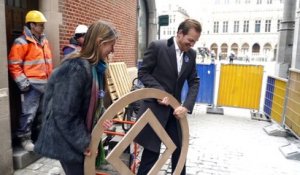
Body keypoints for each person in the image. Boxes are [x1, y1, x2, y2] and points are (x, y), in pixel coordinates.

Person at [34, 20, 117, 175]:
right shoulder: (75, 67)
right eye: (110, 44)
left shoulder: (97, 68)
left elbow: (97, 100)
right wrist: (84, 142)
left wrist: (102, 117)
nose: (112, 50)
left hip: (77, 135)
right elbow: (64, 113)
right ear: (99, 42)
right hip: (67, 140)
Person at [135, 19, 201, 175]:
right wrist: (159, 91)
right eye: (190, 40)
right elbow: (143, 73)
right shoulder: (158, 47)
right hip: (154, 110)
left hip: (174, 112)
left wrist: (186, 106)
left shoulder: (191, 54)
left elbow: (194, 82)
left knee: (180, 150)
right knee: (151, 153)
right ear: (179, 33)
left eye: (195, 41)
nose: (192, 44)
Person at [8, 10, 53, 152]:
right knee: (28, 113)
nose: (43, 27)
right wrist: (24, 83)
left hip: (45, 84)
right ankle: (24, 138)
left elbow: (48, 63)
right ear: (32, 25)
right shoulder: (21, 42)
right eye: (40, 25)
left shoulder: (44, 41)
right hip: (32, 86)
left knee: (42, 113)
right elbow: (14, 64)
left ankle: (39, 137)